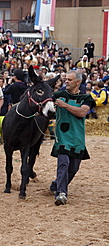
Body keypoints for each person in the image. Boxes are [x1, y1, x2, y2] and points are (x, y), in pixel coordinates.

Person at [49, 70, 95, 206]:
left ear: (78, 82)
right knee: (63, 163)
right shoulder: (58, 95)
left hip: (77, 137)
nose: (66, 81)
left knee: (74, 168)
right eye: (65, 79)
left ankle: (56, 184)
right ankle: (61, 193)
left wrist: (64, 105)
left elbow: (82, 112)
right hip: (62, 136)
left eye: (69, 79)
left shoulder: (86, 99)